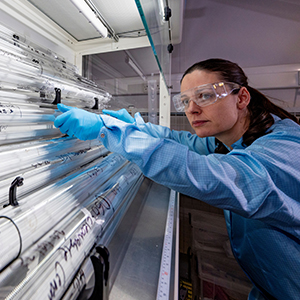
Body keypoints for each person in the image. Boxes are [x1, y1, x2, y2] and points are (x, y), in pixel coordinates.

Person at [54, 58, 300, 300]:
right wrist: (135, 127)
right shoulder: (233, 139)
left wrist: (109, 130)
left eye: (204, 95)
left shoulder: (284, 148)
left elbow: (209, 175)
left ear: (242, 98)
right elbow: (183, 142)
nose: (192, 109)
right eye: (185, 101)